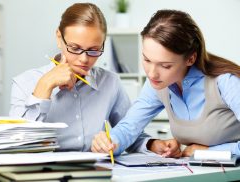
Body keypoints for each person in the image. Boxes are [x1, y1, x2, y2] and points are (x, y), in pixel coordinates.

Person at [91, 9, 240, 157]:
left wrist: (208, 152)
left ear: (190, 59)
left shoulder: (226, 82)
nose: (151, 73)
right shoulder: (157, 84)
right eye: (147, 60)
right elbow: (130, 126)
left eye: (165, 65)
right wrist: (109, 143)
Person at [9, 3, 150, 152]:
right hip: (45, 173)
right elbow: (17, 145)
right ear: (59, 37)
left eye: (94, 50)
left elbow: (130, 135)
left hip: (97, 171)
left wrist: (153, 144)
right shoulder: (24, 83)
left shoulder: (110, 82)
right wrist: (45, 85)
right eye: (75, 48)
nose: (84, 59)